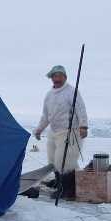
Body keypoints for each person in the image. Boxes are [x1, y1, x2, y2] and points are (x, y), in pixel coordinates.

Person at [33, 65, 88, 199]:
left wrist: (83, 126)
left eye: (58, 76)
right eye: (53, 76)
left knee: (65, 162)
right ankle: (60, 184)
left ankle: (68, 191)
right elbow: (46, 116)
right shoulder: (49, 95)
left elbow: (80, 109)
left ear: (64, 77)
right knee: (53, 160)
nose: (56, 78)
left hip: (70, 131)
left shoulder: (71, 92)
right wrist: (39, 129)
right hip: (54, 132)